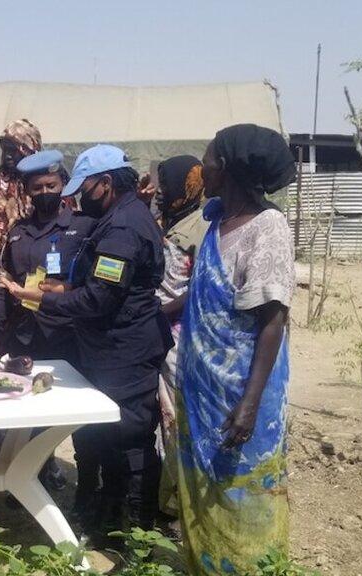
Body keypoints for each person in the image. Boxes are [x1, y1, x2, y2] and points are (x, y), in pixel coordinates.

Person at [0, 144, 171, 538]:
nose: (76, 198)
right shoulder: (121, 217)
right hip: (115, 348)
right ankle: (110, 521)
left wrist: (44, 298)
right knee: (111, 438)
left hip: (126, 351)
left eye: (83, 188)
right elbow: (105, 285)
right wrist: (67, 287)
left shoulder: (122, 228)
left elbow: (99, 299)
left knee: (130, 441)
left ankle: (137, 537)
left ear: (105, 183)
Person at [175, 124, 296, 575]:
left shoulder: (267, 227)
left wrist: (249, 403)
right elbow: (204, 293)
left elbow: (272, 320)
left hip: (241, 390)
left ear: (224, 168)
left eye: (206, 160)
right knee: (203, 488)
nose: (199, 169)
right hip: (201, 390)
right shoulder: (217, 221)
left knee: (243, 491)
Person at [0, 150, 97, 492]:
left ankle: (85, 484)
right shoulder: (19, 232)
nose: (45, 192)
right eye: (37, 187)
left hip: (68, 338)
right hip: (25, 338)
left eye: (51, 185)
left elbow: (96, 286)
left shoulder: (83, 227)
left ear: (63, 185)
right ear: (27, 191)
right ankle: (18, 480)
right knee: (18, 414)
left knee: (70, 417)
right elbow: (5, 287)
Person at [152, 155, 209, 521]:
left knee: (178, 416)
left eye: (166, 184)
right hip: (158, 331)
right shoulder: (168, 221)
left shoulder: (203, 226)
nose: (161, 191)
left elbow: (199, 287)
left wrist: (161, 311)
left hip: (181, 336)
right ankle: (167, 495)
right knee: (163, 415)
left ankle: (182, 501)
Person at [0, 119, 42, 325]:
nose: (8, 156)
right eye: (5, 150)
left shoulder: (45, 182)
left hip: (36, 265)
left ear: (29, 149)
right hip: (3, 266)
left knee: (32, 318)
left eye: (14, 150)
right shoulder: (1, 182)